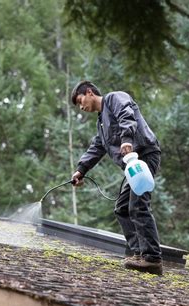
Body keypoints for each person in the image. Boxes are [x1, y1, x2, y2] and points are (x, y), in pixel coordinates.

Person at [70, 80, 164, 275]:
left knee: (138, 205)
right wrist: (81, 170)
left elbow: (126, 115)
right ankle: (139, 254)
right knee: (122, 208)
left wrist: (127, 140)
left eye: (81, 101)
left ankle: (152, 258)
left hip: (144, 155)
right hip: (132, 167)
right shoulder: (102, 123)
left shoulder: (114, 98)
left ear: (89, 92)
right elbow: (97, 147)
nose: (82, 107)